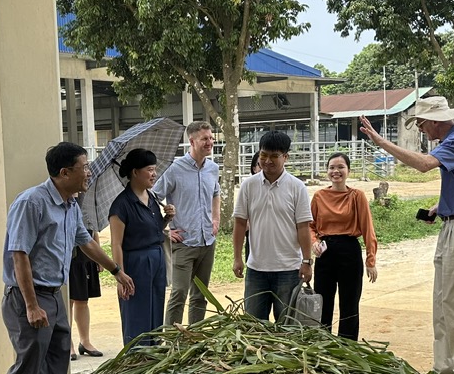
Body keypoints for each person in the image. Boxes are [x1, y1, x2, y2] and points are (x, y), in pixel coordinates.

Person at [0, 142, 134, 374]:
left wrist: (116, 271)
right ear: (64, 172)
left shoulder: (71, 204)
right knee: (26, 369)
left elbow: (85, 241)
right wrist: (31, 306)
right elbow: (19, 255)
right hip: (28, 298)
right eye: (84, 167)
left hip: (54, 296)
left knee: (56, 370)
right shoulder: (32, 203)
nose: (89, 172)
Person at [359, 97, 454, 374]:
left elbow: (422, 165)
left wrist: (380, 141)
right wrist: (440, 207)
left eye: (421, 122)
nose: (420, 128)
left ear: (437, 119)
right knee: (444, 304)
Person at [231, 131, 313, 322]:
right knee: (254, 326)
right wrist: (237, 258)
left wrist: (307, 261)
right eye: (263, 155)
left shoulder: (296, 187)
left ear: (285, 157)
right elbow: (240, 223)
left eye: (274, 156)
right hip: (256, 270)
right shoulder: (248, 186)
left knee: (287, 326)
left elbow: (303, 227)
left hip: (289, 269)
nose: (267, 161)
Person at [154, 120, 220, 326]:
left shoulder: (213, 168)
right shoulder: (175, 169)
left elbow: (216, 193)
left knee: (200, 294)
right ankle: (172, 340)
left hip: (207, 241)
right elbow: (153, 196)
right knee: (179, 293)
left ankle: (194, 337)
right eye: (204, 139)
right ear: (192, 141)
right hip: (184, 242)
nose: (210, 142)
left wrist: (216, 219)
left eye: (211, 137)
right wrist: (166, 229)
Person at [310, 152, 378, 339]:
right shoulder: (319, 196)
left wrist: (370, 260)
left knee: (349, 302)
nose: (336, 171)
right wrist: (314, 241)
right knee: (323, 300)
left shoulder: (357, 196)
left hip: (349, 250)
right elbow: (310, 225)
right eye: (332, 167)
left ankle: (347, 347)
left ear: (348, 171)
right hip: (325, 252)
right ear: (327, 171)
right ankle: (323, 344)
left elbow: (367, 228)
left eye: (341, 167)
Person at [109, 149, 168, 346]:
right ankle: (136, 357)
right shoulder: (121, 205)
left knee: (155, 308)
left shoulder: (151, 198)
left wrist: (167, 218)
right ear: (135, 172)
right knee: (137, 311)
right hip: (136, 263)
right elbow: (116, 243)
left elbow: (153, 230)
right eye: (150, 170)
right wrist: (120, 275)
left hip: (157, 259)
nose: (154, 174)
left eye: (155, 169)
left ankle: (153, 354)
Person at [67, 233, 104, 359]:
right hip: (68, 256)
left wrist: (99, 257)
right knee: (68, 301)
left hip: (86, 255)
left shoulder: (89, 213)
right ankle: (68, 344)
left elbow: (93, 231)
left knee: (83, 300)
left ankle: (85, 341)